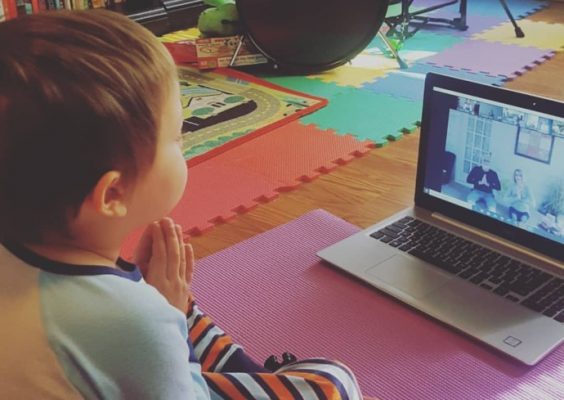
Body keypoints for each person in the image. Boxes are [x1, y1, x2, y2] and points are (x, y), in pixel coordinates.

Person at [0, 10, 363, 399]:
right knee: (331, 382)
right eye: (176, 137)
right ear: (113, 194)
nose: (184, 145)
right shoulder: (130, 319)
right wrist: (168, 315)